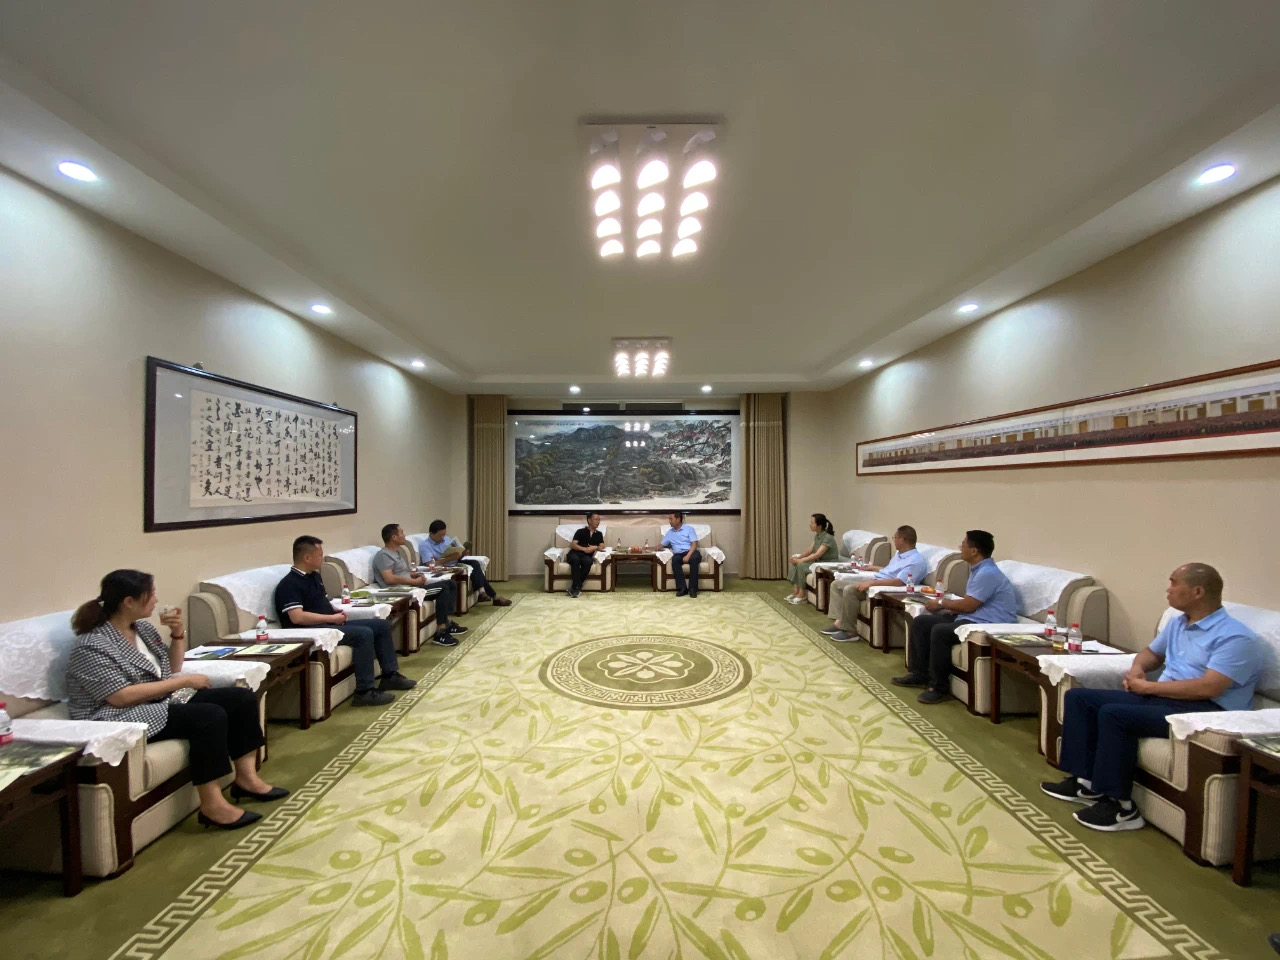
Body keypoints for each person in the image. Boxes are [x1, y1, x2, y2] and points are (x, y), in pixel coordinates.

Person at [1041, 563, 1260, 832]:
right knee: (1079, 698)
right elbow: (1151, 653)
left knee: (1114, 714)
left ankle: (1122, 808)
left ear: (1197, 592)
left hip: (1205, 710)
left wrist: (1148, 688)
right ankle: (1086, 784)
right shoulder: (1179, 622)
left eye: (1174, 582)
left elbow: (1209, 688)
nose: (1168, 589)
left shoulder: (1235, 637)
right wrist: (1138, 670)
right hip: (1167, 698)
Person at [66, 570, 288, 830]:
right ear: (128, 601)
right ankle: (212, 805)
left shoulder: (142, 630)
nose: (156, 600)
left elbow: (171, 668)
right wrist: (183, 682)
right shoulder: (92, 644)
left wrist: (177, 634)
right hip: (116, 716)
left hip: (155, 702)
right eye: (151, 594)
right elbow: (120, 697)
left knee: (241, 698)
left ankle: (246, 779)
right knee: (208, 716)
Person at [275, 535, 416, 707]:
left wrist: (335, 611)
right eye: (320, 555)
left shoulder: (314, 577)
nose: (322, 559)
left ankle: (390, 676)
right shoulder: (289, 584)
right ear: (307, 557)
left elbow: (321, 602)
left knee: (381, 625)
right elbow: (297, 617)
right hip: (313, 630)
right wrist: (331, 618)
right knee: (363, 634)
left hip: (329, 623)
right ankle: (364, 691)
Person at [892, 529, 1017, 704]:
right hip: (974, 616)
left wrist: (942, 603)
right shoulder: (979, 569)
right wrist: (954, 608)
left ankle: (939, 687)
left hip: (989, 622)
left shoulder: (987, 573)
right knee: (921, 622)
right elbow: (972, 603)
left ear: (974, 551)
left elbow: (969, 605)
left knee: (940, 631)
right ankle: (920, 674)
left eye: (963, 545)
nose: (960, 548)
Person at [822, 525, 929, 642]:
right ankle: (839, 622)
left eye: (895, 538)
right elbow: (890, 571)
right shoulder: (900, 555)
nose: (894, 540)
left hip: (884, 587)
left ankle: (850, 631)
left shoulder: (916, 561)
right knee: (837, 584)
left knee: (850, 590)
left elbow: (899, 581)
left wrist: (871, 583)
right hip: (878, 580)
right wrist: (874, 568)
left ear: (902, 540)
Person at [372, 523, 464, 646]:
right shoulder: (383, 555)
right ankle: (441, 632)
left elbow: (402, 573)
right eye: (401, 532)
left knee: (451, 583)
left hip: (411, 586)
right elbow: (389, 579)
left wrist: (414, 575)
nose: (404, 535)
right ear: (394, 537)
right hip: (403, 592)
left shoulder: (396, 553)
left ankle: (447, 622)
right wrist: (414, 582)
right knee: (443, 588)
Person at [419, 520, 511, 607]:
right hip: (444, 567)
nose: (443, 537)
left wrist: (462, 553)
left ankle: (483, 592)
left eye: (444, 534)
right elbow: (430, 564)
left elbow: (456, 555)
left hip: (455, 562)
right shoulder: (425, 545)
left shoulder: (446, 539)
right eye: (440, 535)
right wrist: (450, 558)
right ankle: (492, 596)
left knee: (475, 563)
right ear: (431, 533)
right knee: (475, 571)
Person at [786, 513, 839, 604]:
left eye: (812, 523)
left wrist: (800, 561)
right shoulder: (817, 535)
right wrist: (798, 558)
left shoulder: (828, 537)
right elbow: (810, 550)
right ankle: (796, 591)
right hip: (818, 563)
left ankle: (802, 595)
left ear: (819, 525)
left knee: (801, 565)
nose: (810, 525)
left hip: (826, 564)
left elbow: (817, 554)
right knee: (795, 563)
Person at [661, 512, 702, 598]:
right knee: (675, 560)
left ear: (678, 519)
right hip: (678, 554)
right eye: (669, 519)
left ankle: (693, 589)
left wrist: (688, 556)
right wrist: (655, 547)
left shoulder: (689, 529)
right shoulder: (670, 532)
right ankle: (682, 588)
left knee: (694, 559)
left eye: (671, 519)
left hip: (691, 552)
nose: (669, 521)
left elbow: (694, 544)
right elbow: (662, 544)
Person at [565, 512, 605, 598]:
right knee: (575, 560)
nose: (598, 521)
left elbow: (602, 546)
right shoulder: (580, 531)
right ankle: (577, 587)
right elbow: (573, 545)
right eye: (595, 519)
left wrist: (594, 547)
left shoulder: (599, 534)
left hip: (586, 556)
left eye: (599, 520)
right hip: (575, 553)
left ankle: (575, 587)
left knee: (588, 562)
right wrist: (585, 549)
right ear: (589, 520)